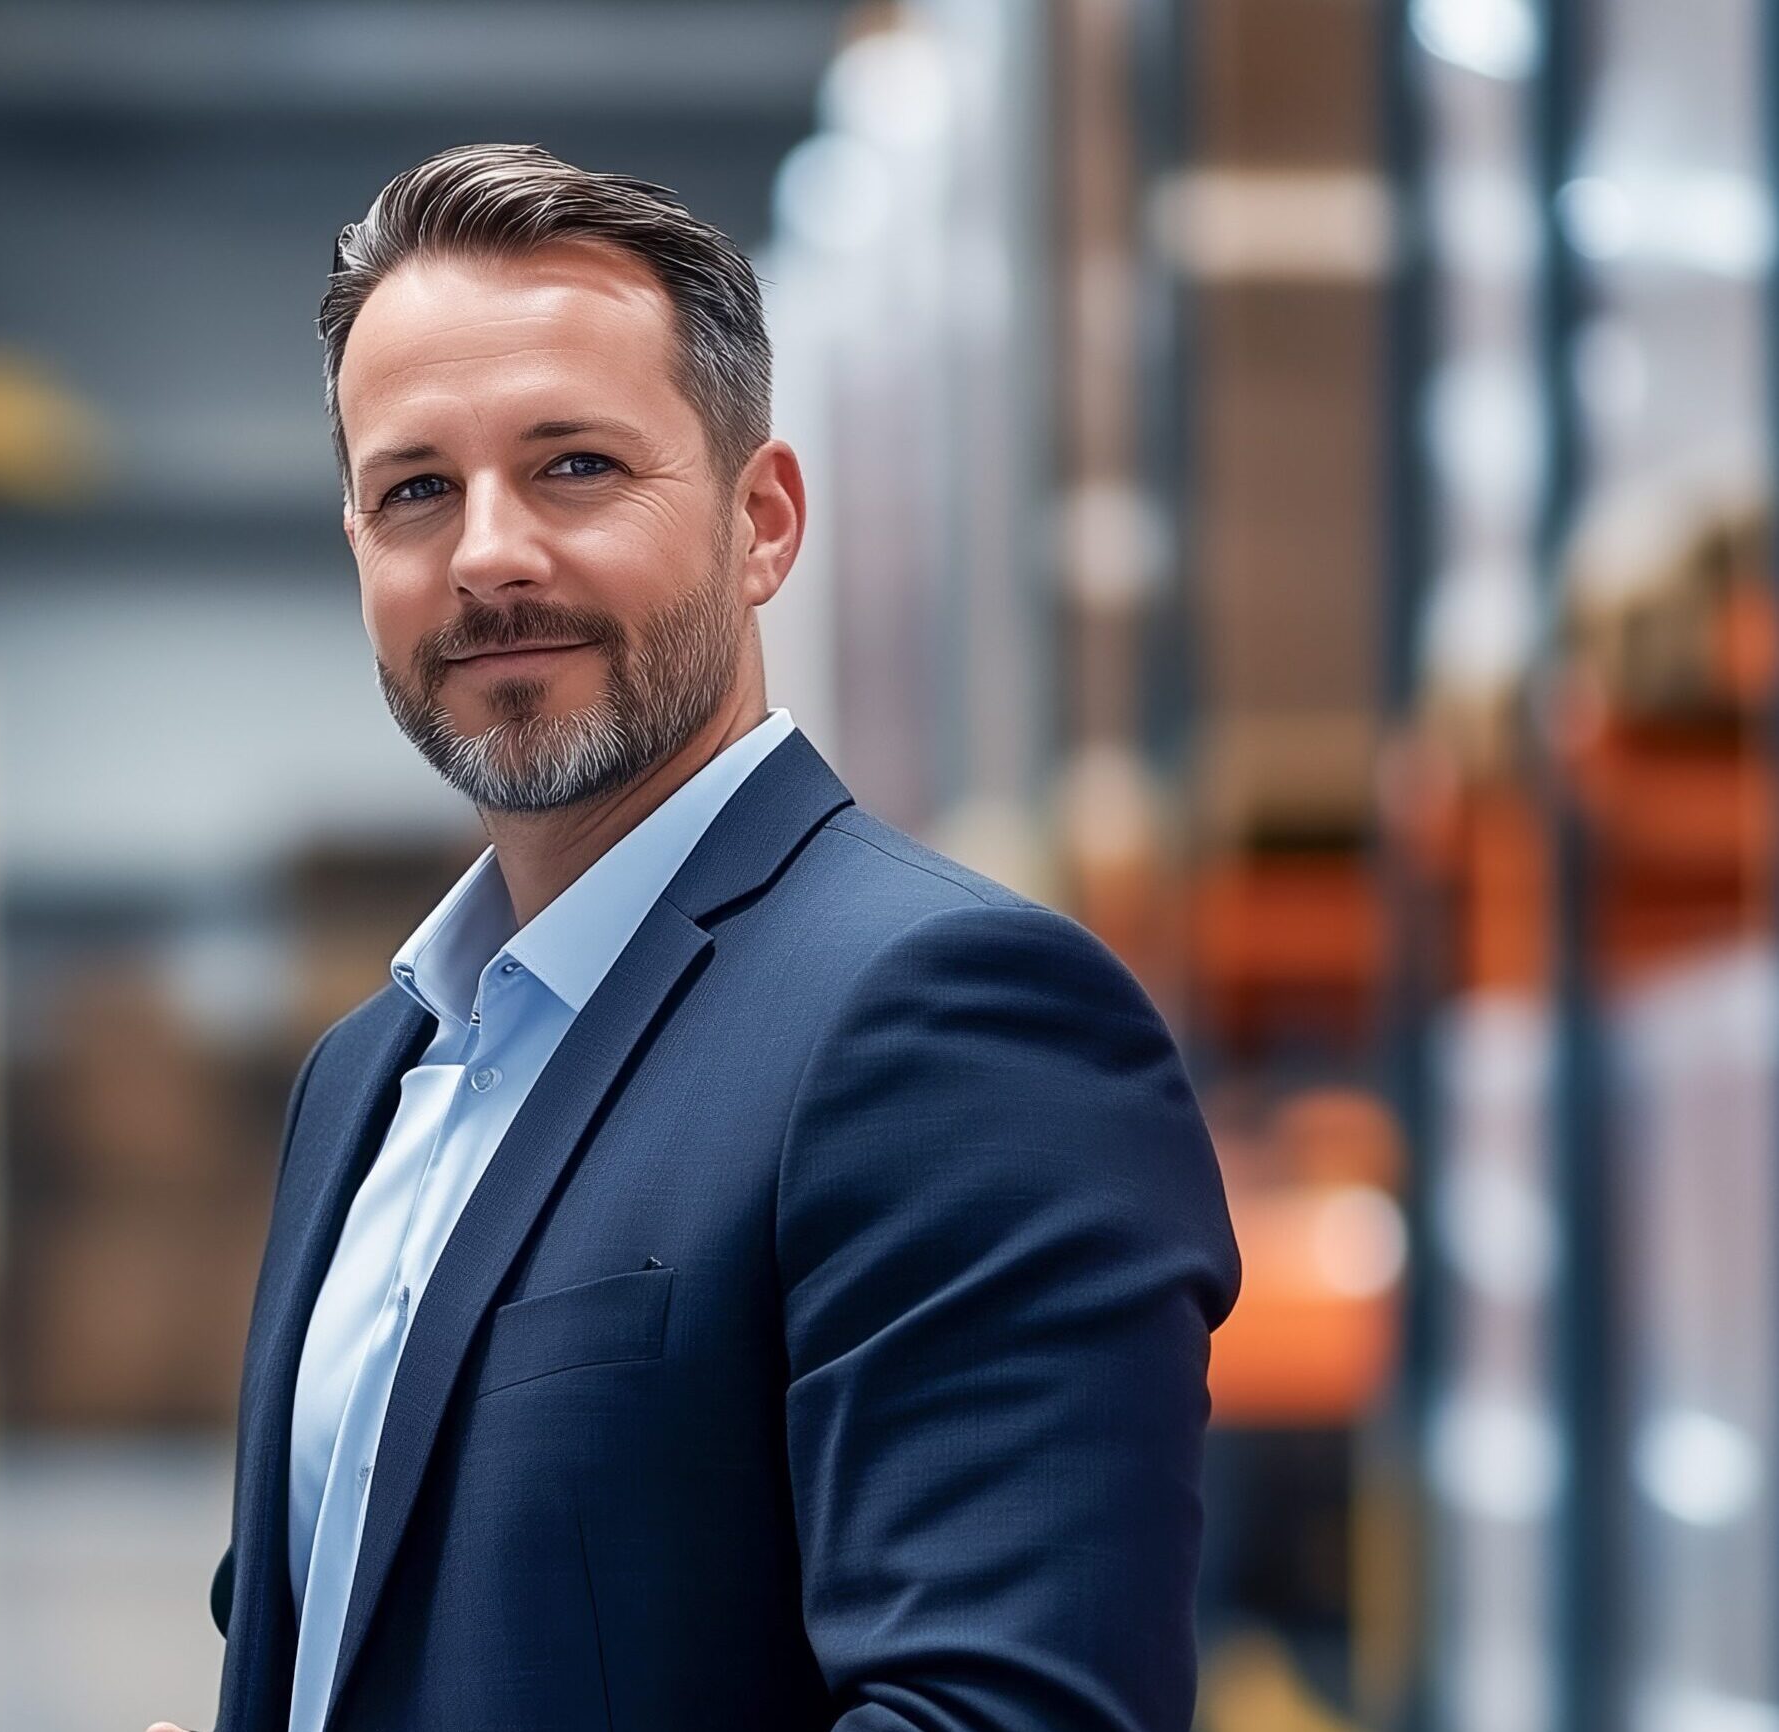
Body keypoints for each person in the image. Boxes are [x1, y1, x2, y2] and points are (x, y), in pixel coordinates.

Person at [149, 142, 1240, 1732]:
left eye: (575, 466)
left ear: (763, 524)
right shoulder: (369, 1081)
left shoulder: (945, 1021)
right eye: (416, 491)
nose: (490, 556)